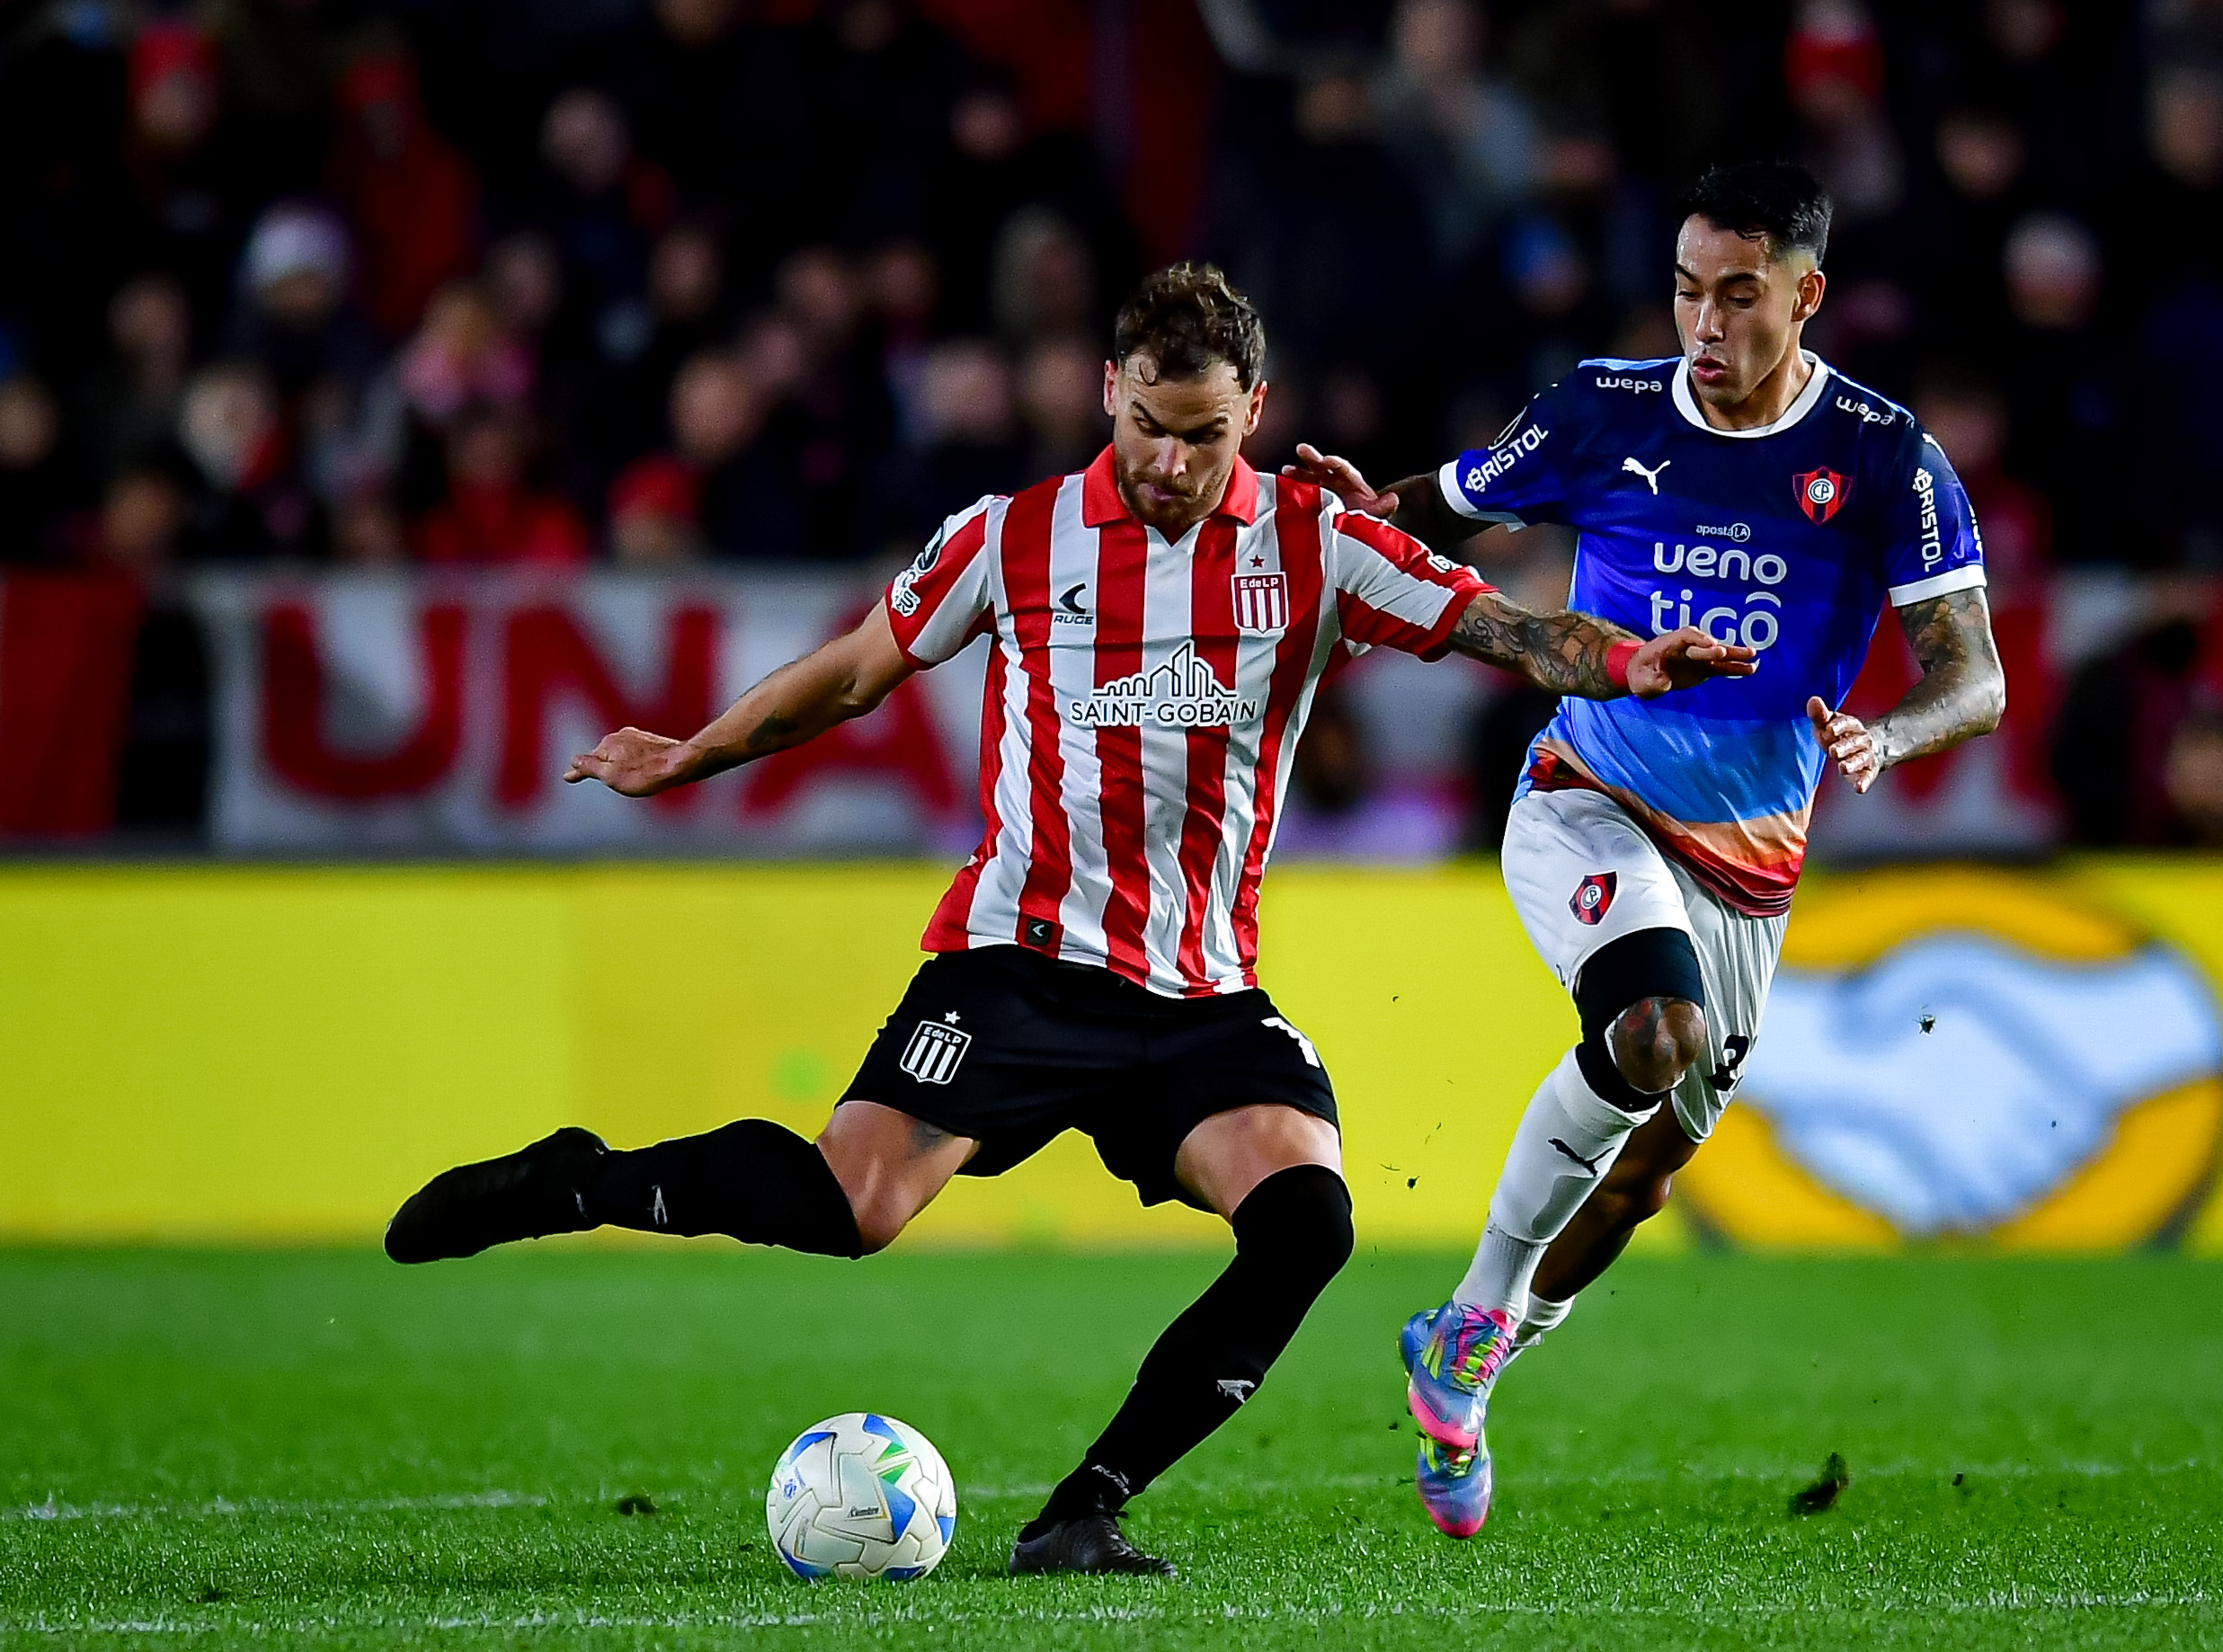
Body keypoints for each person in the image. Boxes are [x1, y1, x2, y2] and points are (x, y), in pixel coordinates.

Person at [382, 263, 1752, 1576]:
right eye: (1148, 424)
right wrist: (693, 751)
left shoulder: (1318, 545)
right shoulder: (1010, 535)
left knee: (1306, 1222)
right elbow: (852, 673)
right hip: (1017, 968)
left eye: (1203, 434)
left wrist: (1629, 660)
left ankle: (1082, 1510)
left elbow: (1513, 630)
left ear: (1253, 411)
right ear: (1108, 390)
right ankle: (578, 1178)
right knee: (850, 1207)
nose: (1170, 461)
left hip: (1199, 994)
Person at [1284, 162, 2007, 1537]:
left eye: (1738, 295)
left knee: (1642, 1175)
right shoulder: (1603, 410)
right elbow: (1443, 501)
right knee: (1652, 1031)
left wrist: (1887, 734)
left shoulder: (1881, 455)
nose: (1704, 324)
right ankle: (1474, 1321)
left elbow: (1972, 673)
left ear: (1805, 294)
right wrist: (1343, 507)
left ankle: (1468, 1356)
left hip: (1752, 861)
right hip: (1587, 791)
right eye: (1685, 291)